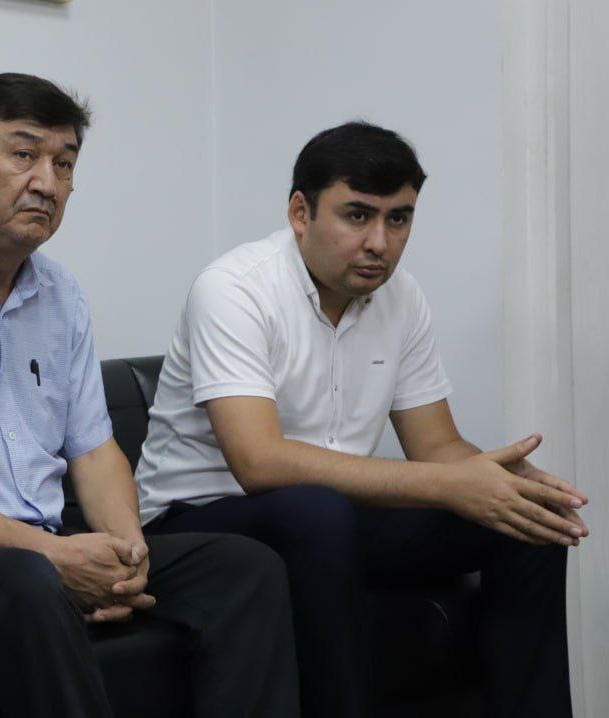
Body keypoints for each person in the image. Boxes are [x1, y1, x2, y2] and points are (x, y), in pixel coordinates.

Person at [0, 72, 299, 718]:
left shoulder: (62, 295)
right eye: (24, 155)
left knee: (244, 568)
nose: (46, 182)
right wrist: (52, 555)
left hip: (41, 544)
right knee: (31, 580)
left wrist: (128, 556)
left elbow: (95, 454)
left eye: (64, 164)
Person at [135, 120, 585, 717]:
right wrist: (448, 484)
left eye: (398, 219)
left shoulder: (402, 297)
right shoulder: (233, 289)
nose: (380, 242)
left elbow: (438, 446)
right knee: (314, 510)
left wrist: (494, 479)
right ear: (300, 213)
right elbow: (259, 463)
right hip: (197, 519)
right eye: (357, 216)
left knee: (527, 522)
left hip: (332, 518)